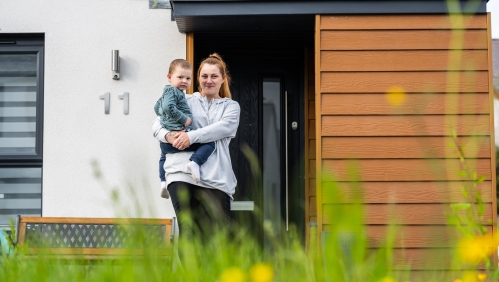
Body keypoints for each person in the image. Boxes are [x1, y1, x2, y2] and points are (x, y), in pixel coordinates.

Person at [152, 53, 240, 238]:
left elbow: (220, 129)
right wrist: (168, 136)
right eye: (204, 76)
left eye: (214, 76)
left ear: (223, 79)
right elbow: (156, 124)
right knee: (188, 231)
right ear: (197, 78)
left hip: (217, 178)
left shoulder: (231, 107)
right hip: (182, 174)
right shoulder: (186, 100)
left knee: (217, 237)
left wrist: (190, 137)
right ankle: (189, 269)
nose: (209, 80)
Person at [154, 59, 216, 199]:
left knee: (163, 157)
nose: (184, 81)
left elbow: (157, 108)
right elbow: (166, 108)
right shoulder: (175, 93)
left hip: (167, 143)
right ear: (169, 77)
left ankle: (163, 181)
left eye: (188, 78)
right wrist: (184, 120)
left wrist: (165, 121)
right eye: (180, 77)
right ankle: (195, 162)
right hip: (178, 136)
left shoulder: (167, 93)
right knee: (210, 143)